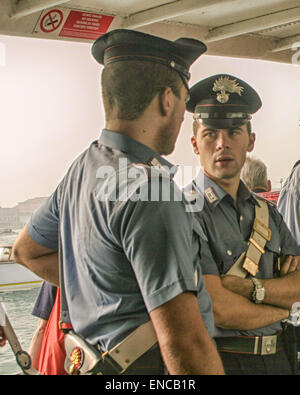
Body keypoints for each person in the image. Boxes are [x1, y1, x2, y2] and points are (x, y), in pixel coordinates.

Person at [10, 30, 224, 375]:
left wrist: (106, 291)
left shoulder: (81, 171)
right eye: (184, 101)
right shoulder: (152, 190)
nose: (184, 114)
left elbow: (26, 251)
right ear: (167, 100)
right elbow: (186, 345)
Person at [184, 73, 300, 375]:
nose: (222, 144)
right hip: (223, 362)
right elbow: (219, 309)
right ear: (195, 144)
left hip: (280, 360)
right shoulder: (184, 212)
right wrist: (284, 306)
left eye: (234, 132)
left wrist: (251, 289)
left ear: (250, 140)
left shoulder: (268, 213)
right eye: (211, 134)